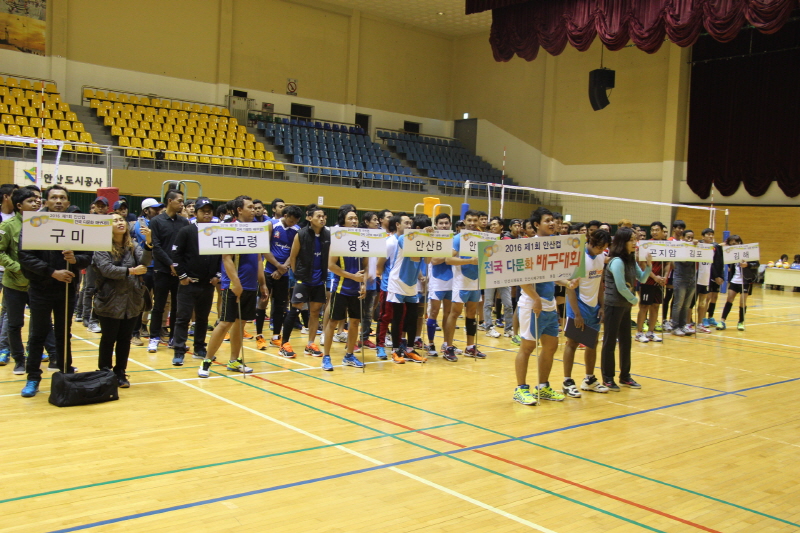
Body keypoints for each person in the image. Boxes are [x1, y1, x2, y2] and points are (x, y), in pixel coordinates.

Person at [19, 185, 93, 398]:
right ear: (46, 201)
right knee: (38, 334)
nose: (58, 201)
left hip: (67, 289)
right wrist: (52, 272)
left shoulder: (78, 225)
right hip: (40, 288)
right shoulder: (34, 223)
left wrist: (75, 260)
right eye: (54, 197)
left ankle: (65, 373)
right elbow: (25, 257)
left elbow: (88, 256)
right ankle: (33, 377)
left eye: (62, 198)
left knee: (63, 333)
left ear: (68, 202)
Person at [199, 196, 265, 377]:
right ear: (239, 210)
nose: (253, 210)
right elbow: (227, 258)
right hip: (233, 286)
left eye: (254, 207)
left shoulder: (256, 229)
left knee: (240, 324)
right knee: (225, 323)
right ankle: (206, 361)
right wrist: (236, 283)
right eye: (249, 207)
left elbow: (259, 258)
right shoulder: (231, 229)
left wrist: (262, 283)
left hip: (250, 285)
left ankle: (234, 360)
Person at [512, 208, 566, 405]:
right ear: (536, 225)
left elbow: (552, 275)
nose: (552, 223)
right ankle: (520, 389)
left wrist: (568, 283)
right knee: (527, 347)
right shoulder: (528, 247)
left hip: (549, 305)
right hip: (531, 305)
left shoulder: (553, 245)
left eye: (553, 220)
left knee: (551, 347)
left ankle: (543, 387)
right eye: (547, 220)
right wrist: (535, 298)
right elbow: (521, 278)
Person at [92, 212, 153, 388]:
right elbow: (107, 269)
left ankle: (120, 373)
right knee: (108, 338)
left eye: (121, 220)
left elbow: (144, 262)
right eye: (115, 221)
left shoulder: (132, 244)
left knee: (125, 339)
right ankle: (105, 372)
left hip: (131, 299)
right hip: (110, 299)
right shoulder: (101, 246)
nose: (120, 222)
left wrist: (149, 243)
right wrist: (131, 271)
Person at [170, 198, 221, 366]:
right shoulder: (186, 231)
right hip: (189, 283)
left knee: (202, 318)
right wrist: (183, 276)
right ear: (196, 213)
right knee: (183, 318)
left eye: (209, 211)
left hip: (207, 284)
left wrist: (218, 275)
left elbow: (222, 255)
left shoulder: (216, 231)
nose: (206, 214)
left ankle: (199, 348)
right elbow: (176, 255)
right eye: (203, 211)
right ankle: (179, 350)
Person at [600, 227, 652, 392]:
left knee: (626, 342)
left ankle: (625, 376)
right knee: (609, 342)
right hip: (613, 306)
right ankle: (608, 378)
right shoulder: (617, 261)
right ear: (622, 242)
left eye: (635, 239)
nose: (634, 243)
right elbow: (621, 286)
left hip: (625, 306)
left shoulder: (630, 260)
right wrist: (634, 299)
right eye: (631, 240)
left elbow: (642, 278)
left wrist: (649, 266)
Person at [562, 229, 611, 397]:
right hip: (578, 306)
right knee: (572, 343)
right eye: (600, 247)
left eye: (604, 248)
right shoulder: (578, 258)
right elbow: (570, 289)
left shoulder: (601, 256)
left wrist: (602, 306)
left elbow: (599, 284)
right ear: (591, 242)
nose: (602, 250)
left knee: (592, 343)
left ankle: (589, 379)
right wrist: (576, 314)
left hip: (593, 306)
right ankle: (567, 381)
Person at [278, 204, 328, 360]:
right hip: (303, 279)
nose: (322, 219)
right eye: (318, 216)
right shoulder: (301, 234)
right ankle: (284, 344)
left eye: (323, 216)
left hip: (319, 281)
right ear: (309, 218)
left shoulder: (327, 235)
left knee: (315, 312)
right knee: (295, 310)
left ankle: (310, 344)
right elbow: (293, 257)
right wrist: (297, 275)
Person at [0, 187, 40, 374]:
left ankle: (36, 355)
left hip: (37, 283)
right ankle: (18, 359)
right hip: (14, 284)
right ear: (19, 205)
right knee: (15, 324)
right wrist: (16, 267)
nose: (36, 203)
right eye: (31, 201)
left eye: (37, 200)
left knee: (40, 323)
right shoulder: (8, 226)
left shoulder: (43, 224)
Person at [321, 206, 366, 370]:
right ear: (343, 222)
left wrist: (364, 284)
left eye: (356, 218)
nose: (354, 221)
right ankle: (326, 357)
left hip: (357, 289)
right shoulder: (338, 240)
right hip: (340, 288)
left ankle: (349, 356)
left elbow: (366, 265)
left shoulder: (362, 240)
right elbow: (331, 266)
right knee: (332, 322)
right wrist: (353, 277)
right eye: (350, 218)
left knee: (354, 322)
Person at [147, 188, 189, 352]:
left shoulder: (184, 222)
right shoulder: (156, 221)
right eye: (179, 201)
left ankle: (174, 338)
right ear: (170, 201)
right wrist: (170, 264)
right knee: (159, 306)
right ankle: (154, 337)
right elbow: (156, 247)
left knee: (177, 307)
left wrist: (178, 266)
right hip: (162, 270)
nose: (182, 204)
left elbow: (185, 247)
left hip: (179, 272)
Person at [443, 210, 485, 362]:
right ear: (464, 221)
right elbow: (448, 259)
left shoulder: (483, 238)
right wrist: (470, 261)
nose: (472, 223)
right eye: (469, 220)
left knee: (472, 314)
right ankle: (448, 347)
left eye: (475, 220)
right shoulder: (457, 239)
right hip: (461, 281)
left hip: (476, 281)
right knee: (454, 313)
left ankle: (470, 346)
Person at [386, 214, 428, 363]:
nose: (409, 226)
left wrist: (429, 238)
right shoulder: (403, 239)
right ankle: (395, 350)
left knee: (412, 317)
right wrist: (425, 239)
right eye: (406, 223)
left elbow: (427, 259)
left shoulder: (420, 240)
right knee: (397, 317)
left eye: (410, 223)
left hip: (412, 283)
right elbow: (414, 256)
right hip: (397, 281)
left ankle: (410, 349)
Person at [260, 205, 302, 351]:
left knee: (280, 305)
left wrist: (283, 268)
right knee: (263, 302)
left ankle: (276, 336)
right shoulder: (271, 225)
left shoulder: (297, 231)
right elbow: (264, 248)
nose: (292, 223)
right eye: (291, 220)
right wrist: (278, 266)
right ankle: (259, 336)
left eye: (295, 221)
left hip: (284, 271)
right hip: (268, 269)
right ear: (285, 216)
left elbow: (294, 253)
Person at [130, 198, 164, 345]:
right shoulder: (141, 224)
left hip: (159, 266)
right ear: (146, 210)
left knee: (159, 302)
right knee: (141, 301)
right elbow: (152, 241)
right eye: (154, 209)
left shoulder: (158, 222)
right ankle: (135, 332)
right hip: (146, 267)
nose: (158, 211)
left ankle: (156, 331)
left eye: (159, 208)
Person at [717, 235, 759, 331]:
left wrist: (747, 264)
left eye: (734, 244)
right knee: (729, 299)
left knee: (742, 302)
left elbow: (757, 264)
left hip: (745, 281)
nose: (733, 246)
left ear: (739, 242)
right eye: (731, 244)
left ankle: (741, 322)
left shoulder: (747, 251)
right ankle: (722, 321)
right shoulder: (731, 253)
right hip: (734, 280)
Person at [635, 221, 667, 343]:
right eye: (652, 230)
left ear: (662, 231)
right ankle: (639, 333)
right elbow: (642, 263)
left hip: (660, 282)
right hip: (647, 281)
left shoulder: (666, 245)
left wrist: (664, 277)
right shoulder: (646, 245)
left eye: (657, 230)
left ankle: (651, 332)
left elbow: (668, 263)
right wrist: (655, 277)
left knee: (655, 306)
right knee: (644, 306)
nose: (654, 232)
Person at [426, 212, 452, 357]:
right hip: (436, 281)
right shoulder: (433, 238)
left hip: (452, 281)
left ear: (450, 225)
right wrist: (450, 255)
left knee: (448, 314)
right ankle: (430, 343)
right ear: (436, 225)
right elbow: (434, 260)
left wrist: (447, 256)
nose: (444, 226)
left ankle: (447, 344)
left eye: (446, 223)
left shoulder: (453, 239)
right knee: (434, 312)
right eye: (441, 223)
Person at [483, 217, 513, 338]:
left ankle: (508, 329)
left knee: (508, 304)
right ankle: (489, 328)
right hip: (490, 273)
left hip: (503, 274)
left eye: (495, 224)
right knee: (488, 303)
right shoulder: (486, 239)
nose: (493, 226)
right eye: (491, 225)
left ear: (501, 226)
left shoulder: (507, 240)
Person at [358, 211, 380, 351]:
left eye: (378, 220)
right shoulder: (359, 237)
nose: (377, 222)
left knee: (368, 313)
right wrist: (363, 279)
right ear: (366, 222)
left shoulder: (378, 238)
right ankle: (351, 340)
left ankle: (364, 338)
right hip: (360, 279)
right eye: (374, 220)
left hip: (373, 279)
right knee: (356, 313)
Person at [670, 229, 698, 337]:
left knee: (686, 305)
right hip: (680, 279)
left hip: (692, 279)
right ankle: (675, 327)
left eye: (692, 237)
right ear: (683, 238)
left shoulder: (694, 248)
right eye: (688, 237)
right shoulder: (680, 248)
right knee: (678, 304)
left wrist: (697, 247)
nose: (690, 239)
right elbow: (685, 261)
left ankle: (683, 325)